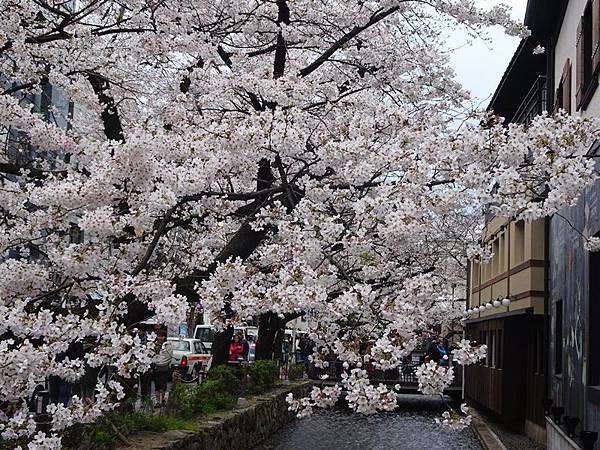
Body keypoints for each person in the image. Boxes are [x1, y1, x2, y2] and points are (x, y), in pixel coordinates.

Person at [152, 330, 173, 408]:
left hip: (165, 369)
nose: (160, 338)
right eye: (159, 336)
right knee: (157, 386)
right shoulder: (154, 345)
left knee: (163, 385)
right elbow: (152, 356)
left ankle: (163, 400)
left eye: (162, 336)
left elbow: (168, 356)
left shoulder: (168, 346)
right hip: (156, 369)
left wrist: (162, 361)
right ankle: (158, 402)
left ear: (165, 337)